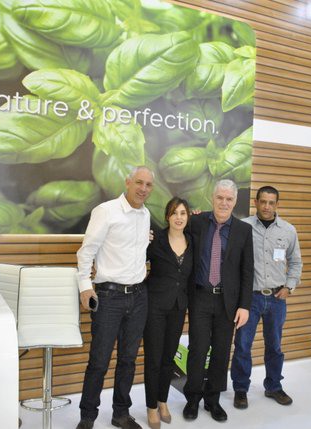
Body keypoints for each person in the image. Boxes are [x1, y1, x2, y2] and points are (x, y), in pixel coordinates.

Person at [76, 166, 154, 429]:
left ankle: (121, 413)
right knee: (99, 361)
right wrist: (85, 287)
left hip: (139, 296)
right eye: (139, 182)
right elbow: (86, 252)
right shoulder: (106, 211)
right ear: (128, 182)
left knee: (128, 360)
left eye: (148, 185)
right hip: (109, 297)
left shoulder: (145, 215)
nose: (143, 189)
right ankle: (87, 417)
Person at [182, 179, 254, 422]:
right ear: (212, 198)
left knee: (222, 352)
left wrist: (244, 305)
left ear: (235, 201)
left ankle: (212, 400)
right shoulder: (196, 222)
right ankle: (192, 398)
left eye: (229, 199)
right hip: (200, 297)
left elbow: (247, 270)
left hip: (227, 302)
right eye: (220, 198)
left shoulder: (243, 230)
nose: (224, 203)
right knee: (198, 350)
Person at [230, 186, 303, 409]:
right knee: (243, 345)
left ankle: (274, 386)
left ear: (277, 204)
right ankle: (240, 389)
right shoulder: (243, 227)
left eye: (271, 203)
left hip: (276, 299)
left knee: (275, 346)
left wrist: (289, 287)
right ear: (256, 202)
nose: (267, 206)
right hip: (249, 299)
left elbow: (296, 262)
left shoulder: (288, 230)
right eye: (263, 201)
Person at [143, 197, 193, 429]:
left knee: (167, 358)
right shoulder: (155, 240)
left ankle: (162, 401)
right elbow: (136, 260)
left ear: (187, 217)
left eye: (183, 213)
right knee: (153, 359)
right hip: (155, 307)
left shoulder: (192, 241)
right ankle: (151, 406)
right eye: (174, 213)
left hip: (178, 307)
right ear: (167, 216)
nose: (178, 217)